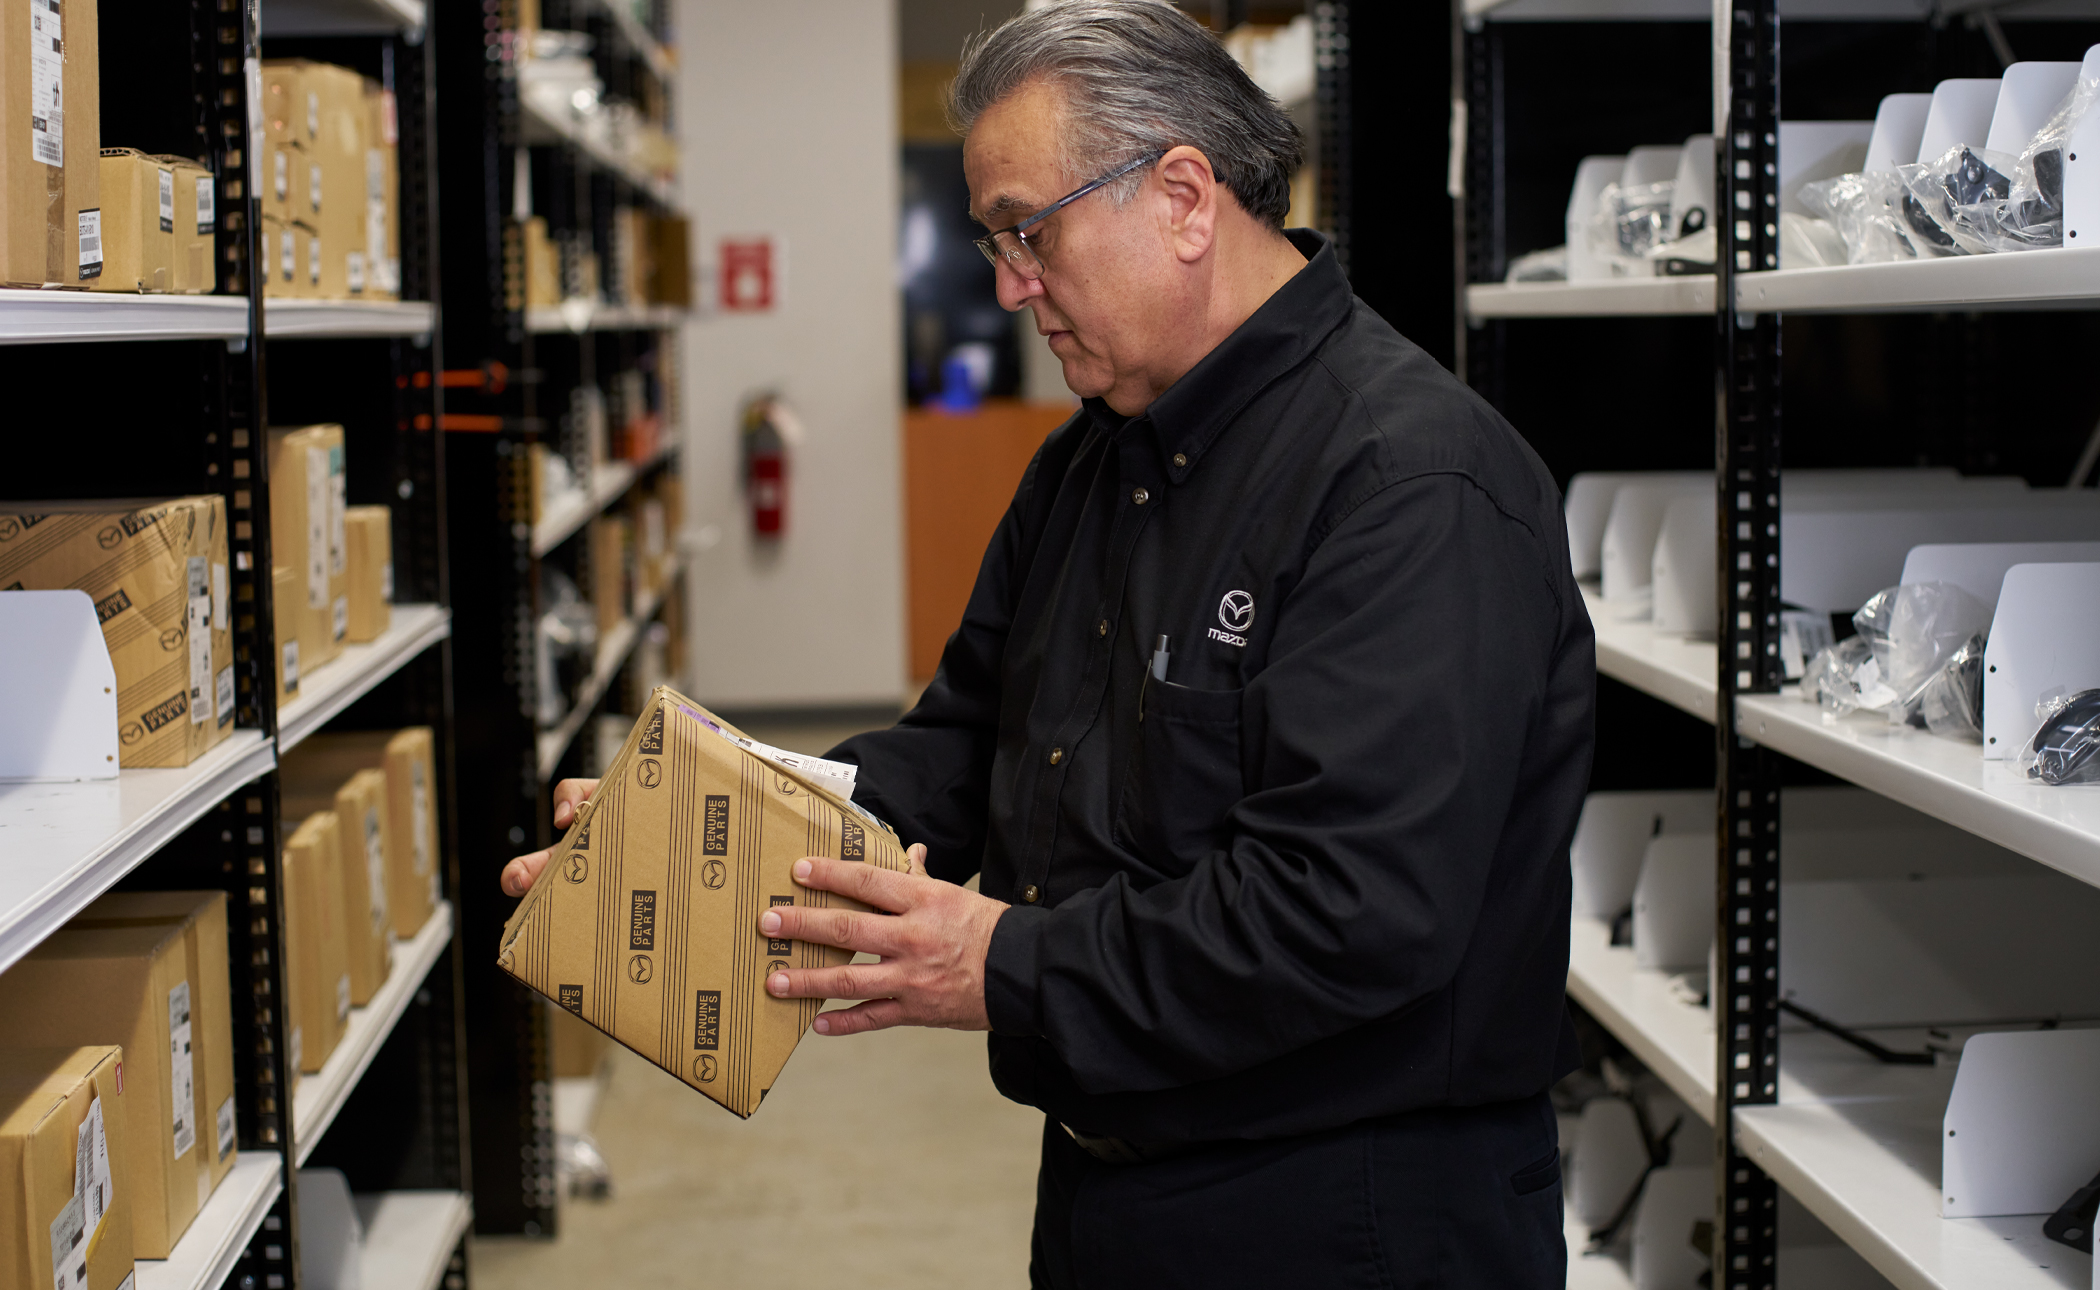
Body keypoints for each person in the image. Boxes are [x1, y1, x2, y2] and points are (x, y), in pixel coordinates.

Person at [502, 2, 1594, 1284]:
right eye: (992, 242)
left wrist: (999, 958)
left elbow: (1349, 912)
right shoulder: (1092, 465)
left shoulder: (1407, 487)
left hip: (1349, 1214)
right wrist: (731, 823)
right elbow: (967, 747)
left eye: (1031, 232)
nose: (1010, 286)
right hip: (1110, 1188)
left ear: (1183, 196)